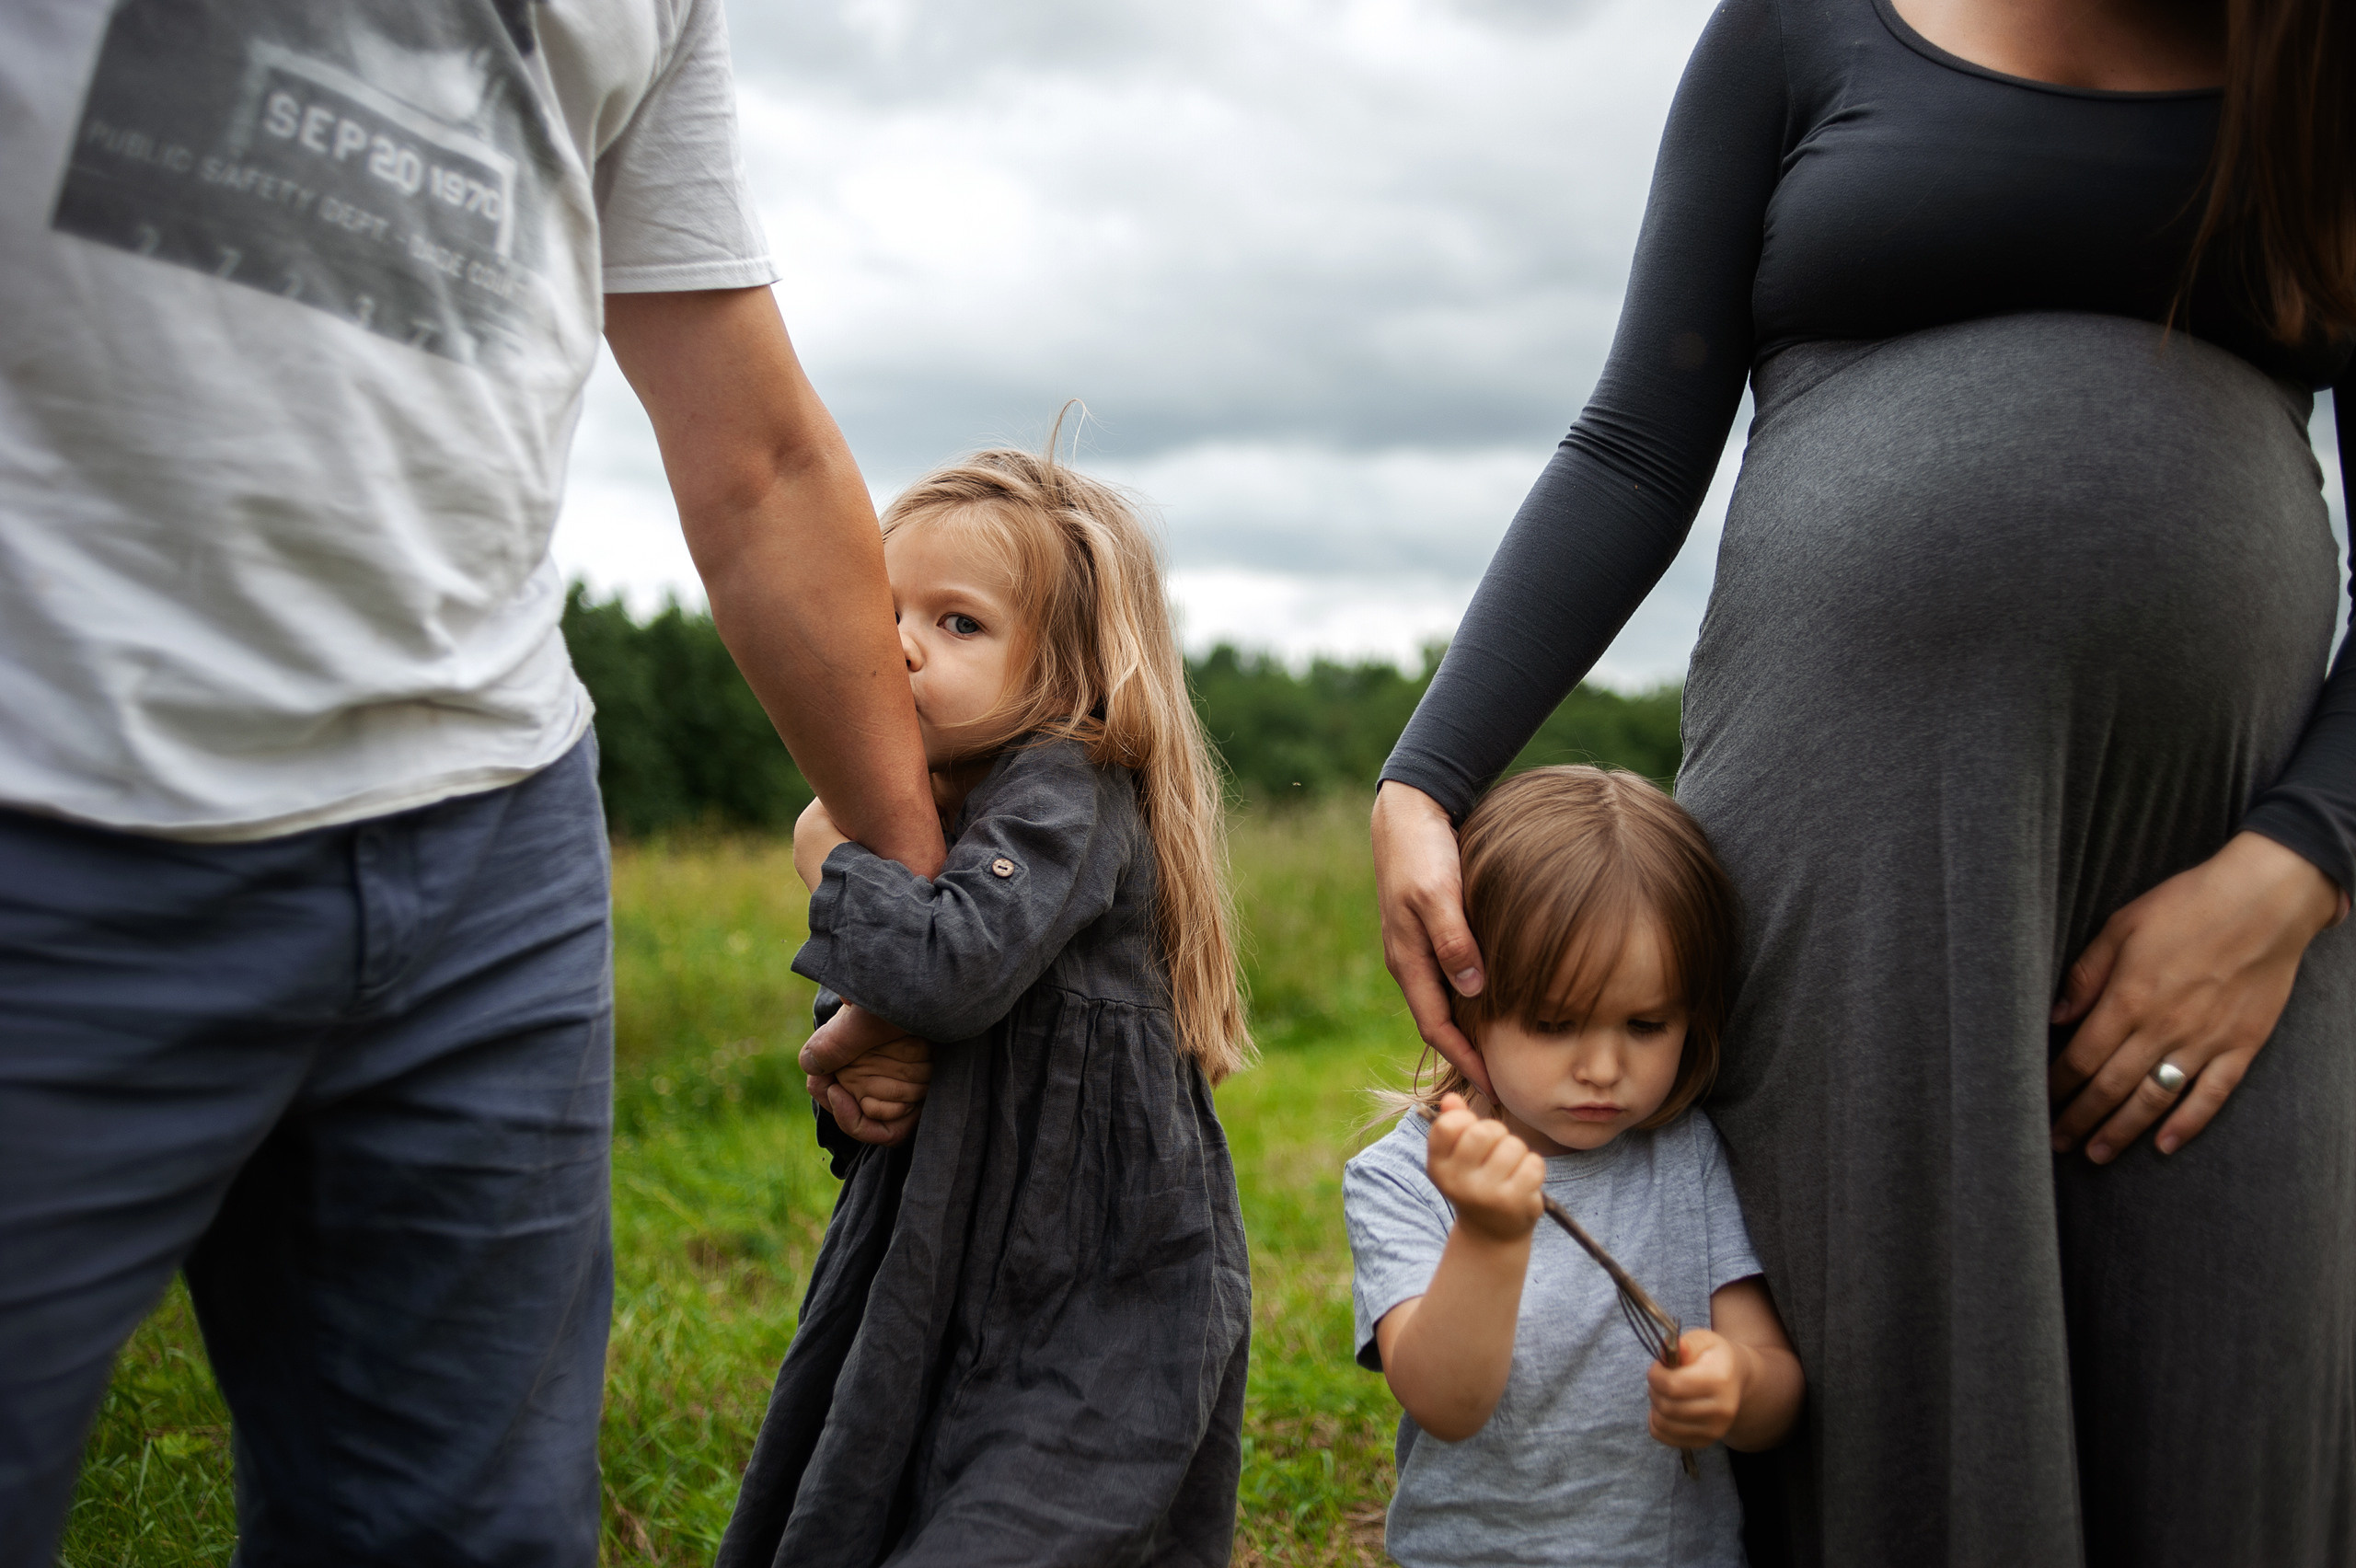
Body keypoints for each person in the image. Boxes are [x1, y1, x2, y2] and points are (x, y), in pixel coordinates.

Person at [1369, 1, 2356, 1563]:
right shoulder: (1801, 27)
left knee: (2233, 1402)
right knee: (1900, 1382)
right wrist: (1431, 769)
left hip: (2232, 859)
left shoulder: (2325, 66)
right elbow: (1637, 438)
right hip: (1859, 831)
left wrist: (2300, 860)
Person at [0, 4, 941, 1565]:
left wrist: (910, 918)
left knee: (471, 1530)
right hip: (50, 798)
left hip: (489, 846)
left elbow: (757, 454)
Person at [715, 449, 1254, 1568]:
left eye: (958, 624)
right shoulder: (935, 817)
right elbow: (901, 1024)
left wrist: (824, 851)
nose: (899, 642)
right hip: (937, 1265)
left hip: (1089, 1282)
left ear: (1068, 673)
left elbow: (946, 971)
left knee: (1034, 1515)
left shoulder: (1067, 784)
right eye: (887, 611)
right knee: (886, 1496)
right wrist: (862, 1065)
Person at [1346, 767, 1802, 1568]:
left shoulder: (1688, 1156)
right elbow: (1446, 1404)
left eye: (1645, 1023)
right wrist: (1488, 1235)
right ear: (1464, 1001)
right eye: (1555, 1022)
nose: (1602, 1066)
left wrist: (1736, 1387)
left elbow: (1775, 1383)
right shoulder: (1404, 1179)